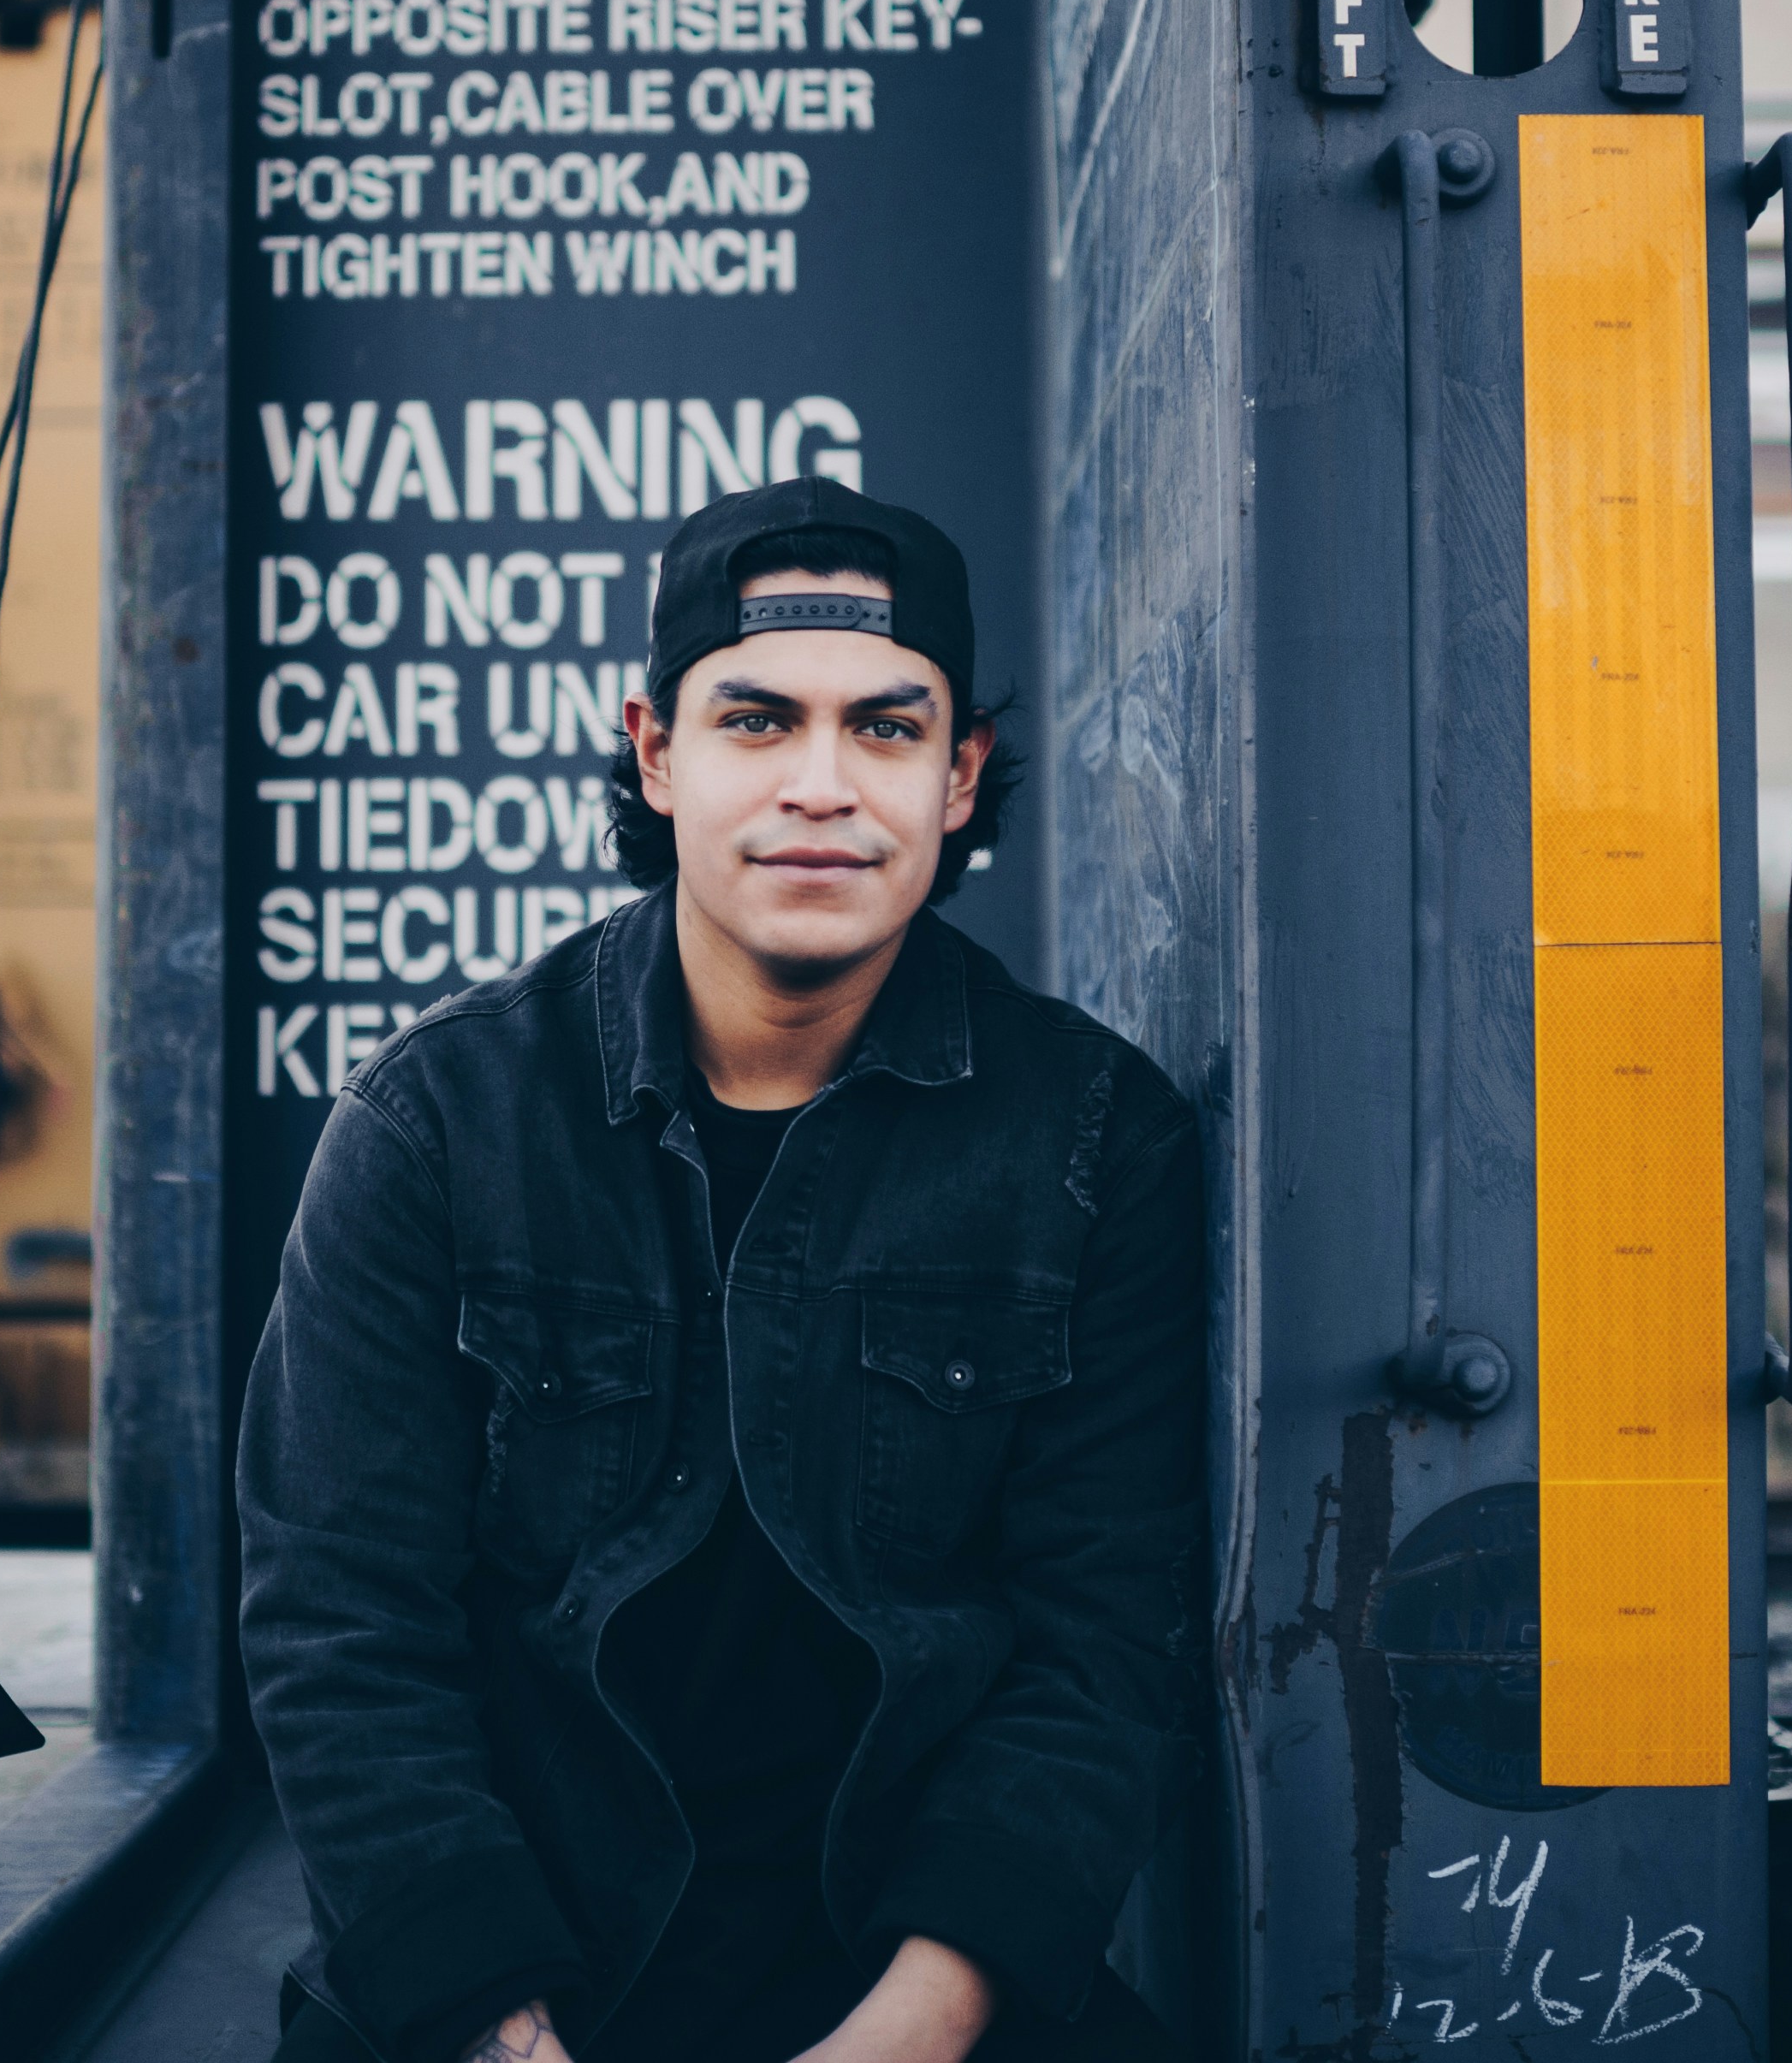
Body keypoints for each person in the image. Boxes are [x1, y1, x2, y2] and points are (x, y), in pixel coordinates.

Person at [240, 477, 1205, 2063]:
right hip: (516, 1969)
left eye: (886, 731)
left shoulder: (1099, 1143)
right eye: (757, 721)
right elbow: (340, 1626)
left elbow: (1105, 1648)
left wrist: (909, 2031)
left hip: (914, 1980)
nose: (822, 787)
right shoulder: (436, 1122)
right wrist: (499, 2028)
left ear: (959, 777)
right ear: (656, 754)